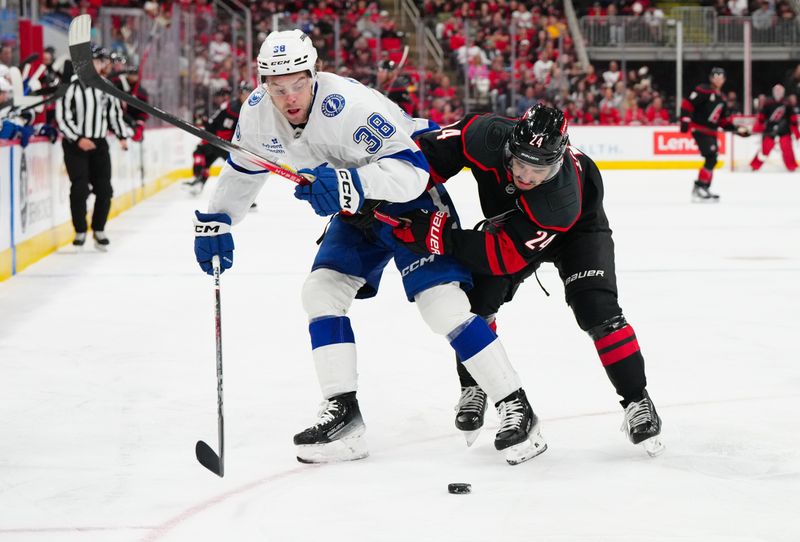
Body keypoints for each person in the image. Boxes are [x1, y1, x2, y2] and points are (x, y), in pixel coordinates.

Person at [192, 29, 546, 466]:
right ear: (264, 83)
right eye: (277, 88)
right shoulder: (258, 113)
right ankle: (344, 415)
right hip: (355, 211)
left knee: (443, 308)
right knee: (320, 293)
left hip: (408, 202)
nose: (289, 98)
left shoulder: (351, 107)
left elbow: (412, 173)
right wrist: (218, 219)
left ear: (314, 72)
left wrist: (347, 183)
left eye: (298, 84)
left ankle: (516, 406)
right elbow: (245, 168)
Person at [390, 104, 665, 457]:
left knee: (596, 308)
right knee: (476, 304)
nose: (526, 176)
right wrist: (389, 187)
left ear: (559, 159)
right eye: (520, 162)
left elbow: (503, 255)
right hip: (513, 225)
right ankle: (475, 384)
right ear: (509, 147)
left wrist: (436, 236)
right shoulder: (484, 133)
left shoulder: (560, 197)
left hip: (577, 232)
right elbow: (428, 156)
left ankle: (637, 400)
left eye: (540, 169)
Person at [55, 45, 132, 250]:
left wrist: (122, 136)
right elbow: (62, 117)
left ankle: (99, 229)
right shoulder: (70, 86)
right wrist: (78, 138)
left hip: (99, 144)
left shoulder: (107, 86)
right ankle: (80, 230)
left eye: (103, 61)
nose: (103, 65)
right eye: (99, 61)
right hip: (75, 145)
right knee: (80, 188)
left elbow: (114, 114)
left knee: (104, 189)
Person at [679, 67, 750, 202]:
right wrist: (685, 119)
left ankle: (703, 187)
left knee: (713, 159)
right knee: (711, 156)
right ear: (711, 78)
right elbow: (687, 104)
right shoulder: (703, 90)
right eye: (715, 76)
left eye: (720, 77)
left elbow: (722, 121)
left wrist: (737, 129)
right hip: (700, 129)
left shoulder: (721, 98)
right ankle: (699, 187)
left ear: (724, 80)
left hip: (710, 132)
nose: (718, 79)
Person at [183, 83, 253, 198]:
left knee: (236, 168)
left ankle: (244, 196)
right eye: (245, 93)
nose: (247, 96)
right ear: (241, 94)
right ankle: (199, 180)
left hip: (223, 143)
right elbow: (218, 125)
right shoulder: (233, 107)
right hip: (219, 141)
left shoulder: (243, 107)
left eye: (249, 93)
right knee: (201, 154)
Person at [750, 84, 799, 172]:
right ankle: (755, 165)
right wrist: (756, 129)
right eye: (776, 91)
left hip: (785, 130)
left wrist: (797, 134)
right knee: (765, 149)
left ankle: (792, 167)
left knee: (787, 148)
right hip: (770, 130)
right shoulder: (768, 103)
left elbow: (793, 119)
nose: (778, 93)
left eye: (780, 91)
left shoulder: (787, 103)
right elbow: (761, 117)